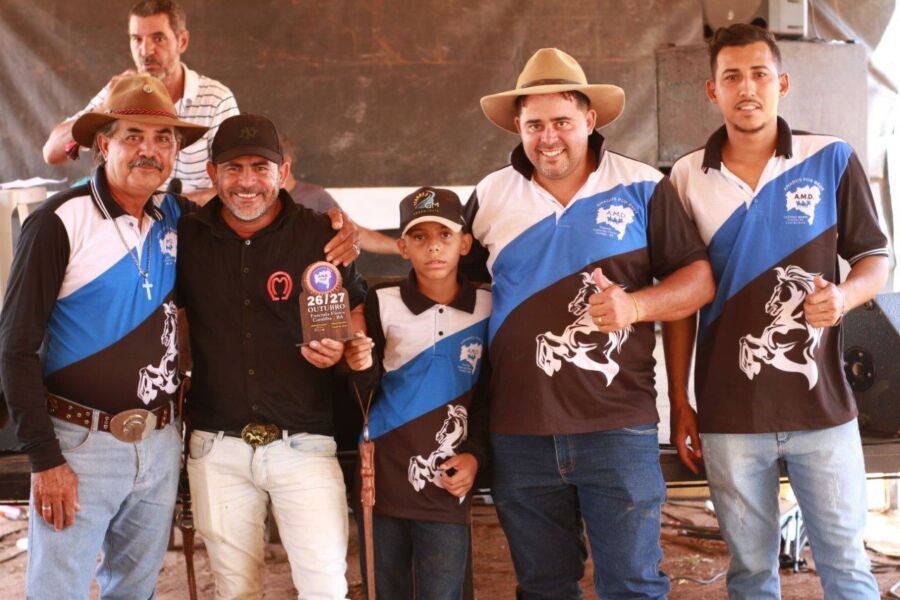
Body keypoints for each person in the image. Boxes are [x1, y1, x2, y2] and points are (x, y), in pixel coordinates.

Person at [462, 48, 715, 599]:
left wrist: (636, 307)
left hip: (616, 428)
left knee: (633, 587)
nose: (548, 138)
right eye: (534, 125)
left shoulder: (643, 185)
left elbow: (698, 281)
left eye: (562, 122)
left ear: (590, 120)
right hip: (518, 431)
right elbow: (455, 295)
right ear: (517, 127)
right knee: (543, 588)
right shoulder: (489, 195)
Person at [667, 24, 889, 599]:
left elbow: (875, 259)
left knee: (848, 568)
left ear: (782, 83)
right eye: (732, 77)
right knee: (751, 576)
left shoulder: (831, 157)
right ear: (712, 90)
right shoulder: (686, 177)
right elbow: (680, 302)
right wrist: (680, 401)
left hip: (825, 412)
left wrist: (844, 296)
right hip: (729, 416)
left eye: (759, 74)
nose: (747, 88)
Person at [0, 74, 206, 598]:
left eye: (163, 139)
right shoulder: (58, 222)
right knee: (58, 591)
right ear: (103, 144)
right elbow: (14, 348)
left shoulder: (177, 217)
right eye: (133, 135)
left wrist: (333, 230)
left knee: (136, 591)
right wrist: (46, 459)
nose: (149, 150)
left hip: (160, 440)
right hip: (78, 445)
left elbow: (256, 220)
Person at [177, 113, 367, 599]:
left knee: (325, 588)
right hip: (216, 445)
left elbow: (353, 314)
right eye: (233, 168)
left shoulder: (321, 234)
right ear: (213, 174)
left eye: (259, 168)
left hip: (303, 442)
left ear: (282, 172)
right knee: (235, 591)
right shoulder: (186, 237)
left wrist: (340, 349)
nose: (246, 182)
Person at [344, 187, 491, 599]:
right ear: (403, 247)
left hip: (448, 478)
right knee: (385, 588)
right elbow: (362, 392)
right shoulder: (382, 302)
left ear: (465, 243)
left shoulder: (488, 305)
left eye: (445, 235)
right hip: (384, 473)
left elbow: (490, 396)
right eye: (420, 237)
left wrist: (476, 456)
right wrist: (358, 365)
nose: (434, 247)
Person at [42, 0, 239, 204]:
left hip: (192, 218)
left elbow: (235, 185)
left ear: (182, 41)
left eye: (158, 38)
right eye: (137, 39)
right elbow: (51, 153)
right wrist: (104, 108)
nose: (145, 50)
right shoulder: (119, 93)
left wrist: (169, 208)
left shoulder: (216, 99)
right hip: (124, 218)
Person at [281, 137, 400, 255]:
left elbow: (355, 233)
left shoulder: (314, 196)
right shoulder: (270, 201)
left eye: (272, 161)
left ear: (286, 163)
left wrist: (400, 248)